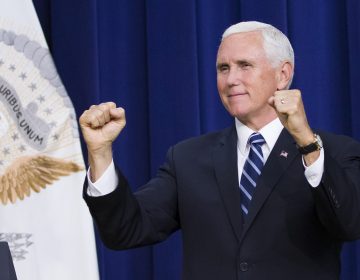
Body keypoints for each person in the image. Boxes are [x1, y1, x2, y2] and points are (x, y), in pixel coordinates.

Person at [79, 21, 360, 280]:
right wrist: (101, 152)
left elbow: (349, 224)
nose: (230, 79)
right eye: (223, 68)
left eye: (244, 65)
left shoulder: (333, 152)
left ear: (283, 74)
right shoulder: (187, 158)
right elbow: (126, 230)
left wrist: (307, 144)